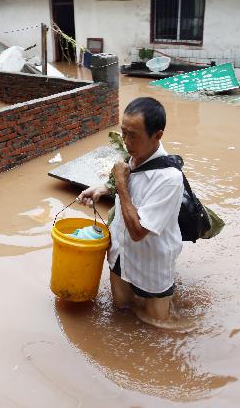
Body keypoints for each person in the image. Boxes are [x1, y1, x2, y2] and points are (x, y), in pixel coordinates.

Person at [78, 97, 183, 325]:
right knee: (121, 312)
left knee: (159, 326)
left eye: (133, 135)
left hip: (152, 266)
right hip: (120, 257)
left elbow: (137, 231)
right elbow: (128, 181)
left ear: (157, 136)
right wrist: (102, 189)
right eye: (123, 132)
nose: (125, 141)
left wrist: (121, 186)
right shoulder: (133, 157)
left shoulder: (170, 178)